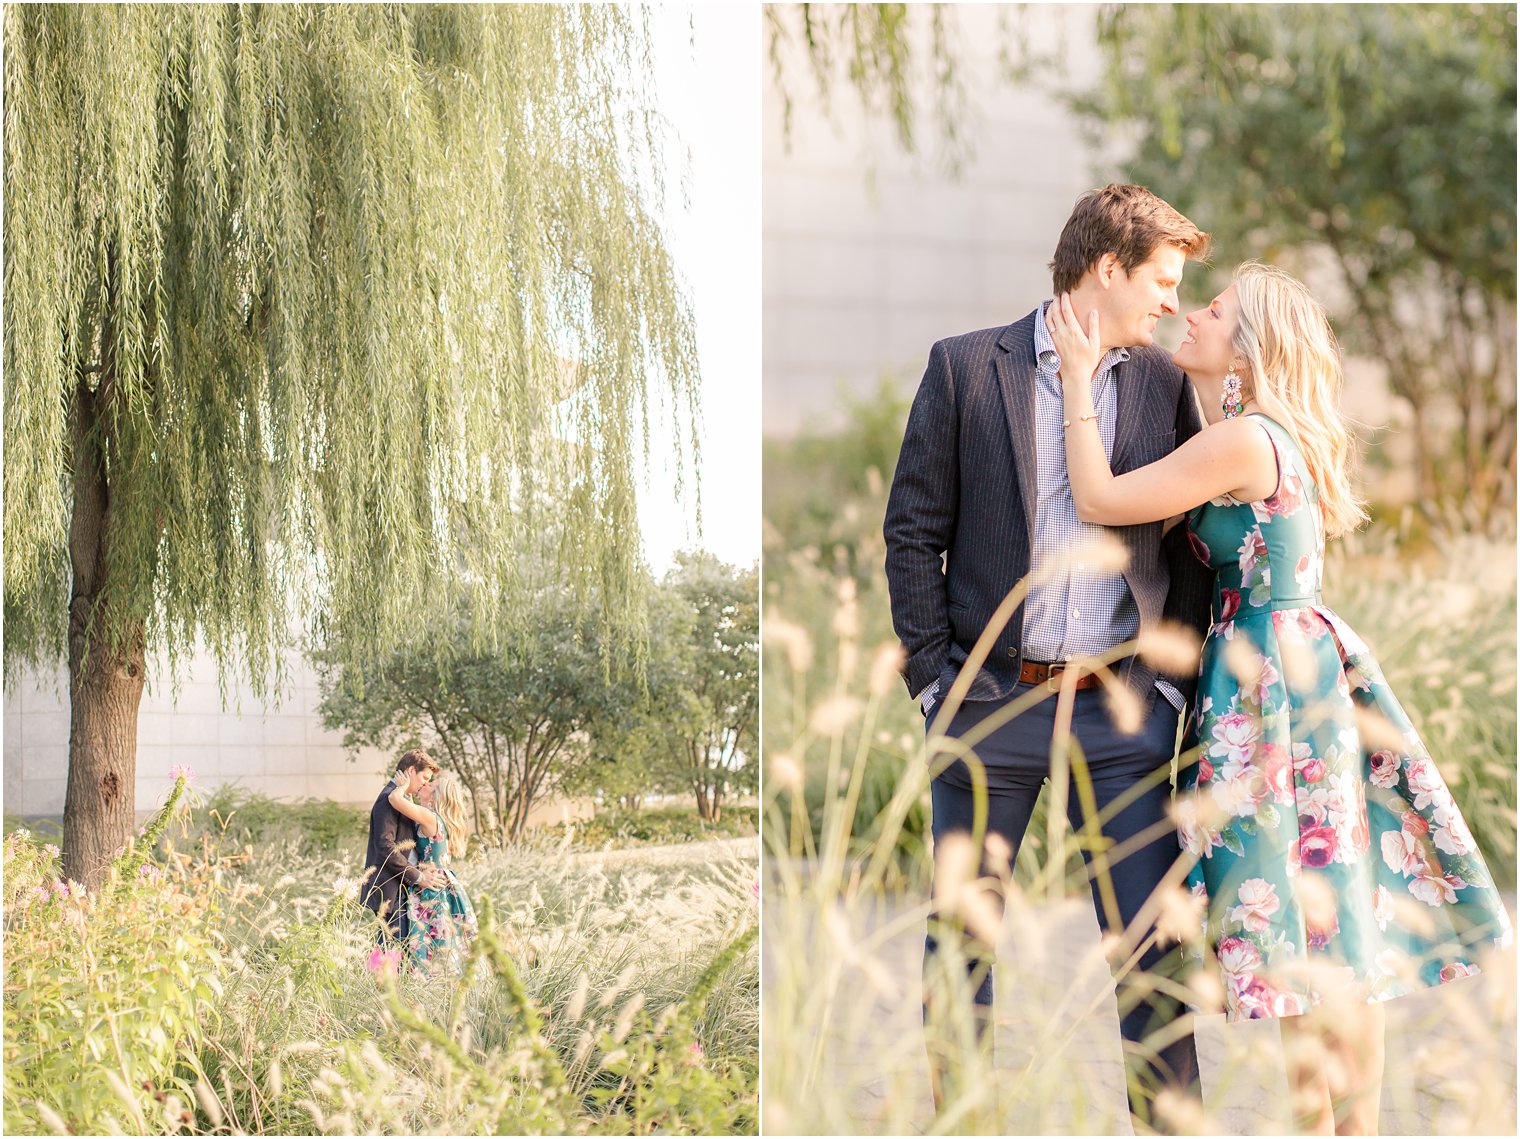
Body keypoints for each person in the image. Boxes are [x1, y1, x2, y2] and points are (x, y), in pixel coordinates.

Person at [1046, 260, 1514, 1135]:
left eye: (1213, 309)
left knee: (1289, 922)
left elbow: (1101, 495)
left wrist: (1077, 385)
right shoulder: (1259, 430)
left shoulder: (1245, 440)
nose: (1191, 314)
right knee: (1326, 915)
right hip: (1298, 674)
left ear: (1249, 342)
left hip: (1270, 687)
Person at [883, 183, 1215, 1129]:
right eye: (1160, 280)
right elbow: (912, 532)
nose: (1169, 303)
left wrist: (1167, 683)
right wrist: (936, 684)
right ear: (1107, 269)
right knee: (962, 951)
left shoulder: (1160, 386)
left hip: (1122, 714)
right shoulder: (963, 369)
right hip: (990, 702)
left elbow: (1189, 545)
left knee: (1150, 955)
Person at [388, 770, 479, 975]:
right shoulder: (434, 818)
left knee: (431, 940)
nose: (425, 785)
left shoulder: (429, 817)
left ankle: (436, 983)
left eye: (431, 785)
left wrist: (402, 786)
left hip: (431, 885)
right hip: (442, 881)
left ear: (436, 796)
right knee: (446, 940)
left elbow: (394, 798)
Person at [362, 749, 445, 944]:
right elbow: (385, 846)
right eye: (424, 777)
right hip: (390, 890)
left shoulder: (400, 799)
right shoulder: (388, 799)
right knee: (392, 955)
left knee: (400, 955)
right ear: (410, 771)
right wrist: (418, 876)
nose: (425, 783)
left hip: (400, 888)